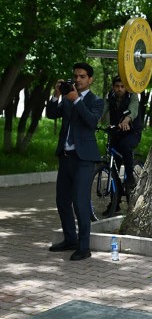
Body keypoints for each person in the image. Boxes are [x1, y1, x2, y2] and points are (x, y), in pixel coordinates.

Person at [46, 62, 104, 261]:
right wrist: (56, 95)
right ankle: (70, 239)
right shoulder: (68, 99)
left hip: (85, 159)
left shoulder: (96, 101)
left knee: (80, 203)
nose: (77, 80)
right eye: (75, 76)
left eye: (81, 77)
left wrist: (77, 100)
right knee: (62, 201)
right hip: (66, 157)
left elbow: (91, 122)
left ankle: (84, 247)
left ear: (90, 79)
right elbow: (51, 114)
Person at [101, 75, 143, 212]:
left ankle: (130, 178)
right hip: (116, 133)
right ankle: (115, 203)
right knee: (112, 167)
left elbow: (134, 109)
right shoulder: (110, 97)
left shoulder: (132, 96)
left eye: (122, 86)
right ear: (113, 87)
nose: (119, 89)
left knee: (125, 146)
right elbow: (102, 111)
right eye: (117, 86)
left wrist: (127, 119)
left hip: (132, 132)